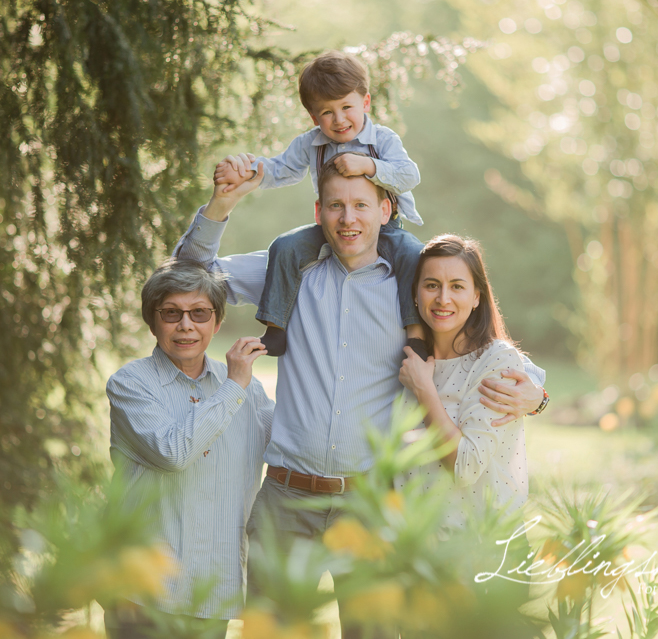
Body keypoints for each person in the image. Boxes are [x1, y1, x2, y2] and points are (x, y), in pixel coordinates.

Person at [174, 154, 548, 637]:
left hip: (370, 507)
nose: (348, 219)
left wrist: (537, 396)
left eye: (361, 205)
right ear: (317, 212)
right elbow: (188, 272)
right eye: (335, 206)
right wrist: (223, 201)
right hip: (286, 501)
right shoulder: (288, 272)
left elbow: (482, 354)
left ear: (385, 211)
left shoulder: (412, 289)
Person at [214, 50, 428, 360]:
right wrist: (247, 170)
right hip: (331, 227)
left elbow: (410, 175)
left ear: (365, 103)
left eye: (346, 107)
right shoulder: (310, 143)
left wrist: (368, 165)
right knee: (285, 246)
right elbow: (279, 170)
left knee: (411, 254)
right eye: (327, 112)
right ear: (314, 117)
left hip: (384, 226)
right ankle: (276, 327)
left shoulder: (381, 139)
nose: (339, 119)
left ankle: (416, 335)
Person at [105, 258, 273, 638]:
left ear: (217, 321)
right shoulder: (131, 384)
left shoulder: (252, 393)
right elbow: (174, 453)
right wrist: (234, 387)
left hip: (211, 593)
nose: (186, 325)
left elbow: (294, 449)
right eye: (171, 313)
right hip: (141, 594)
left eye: (199, 313)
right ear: (152, 320)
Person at [396, 235, 535, 526]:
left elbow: (464, 466)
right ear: (415, 293)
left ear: (476, 297)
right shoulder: (409, 359)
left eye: (457, 286)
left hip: (480, 548)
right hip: (416, 548)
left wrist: (424, 390)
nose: (443, 298)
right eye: (432, 285)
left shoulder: (496, 361)